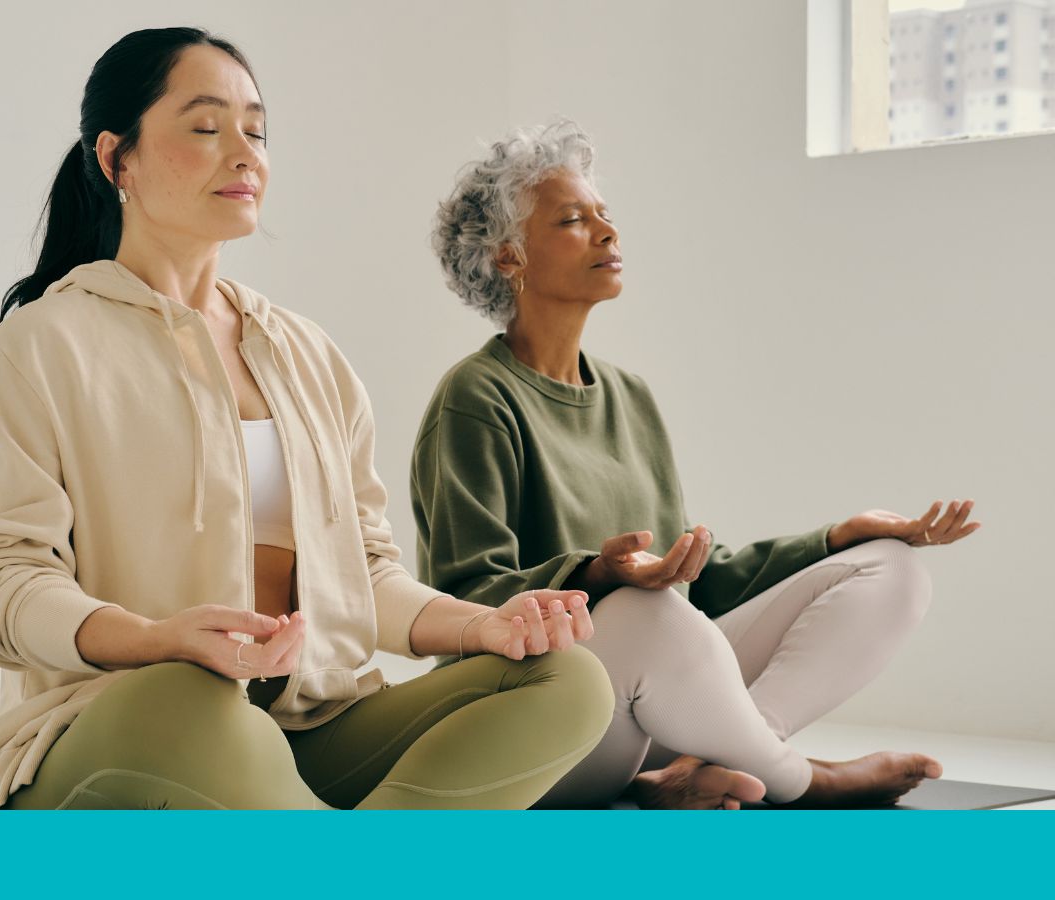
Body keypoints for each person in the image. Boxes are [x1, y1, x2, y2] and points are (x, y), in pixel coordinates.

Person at [0, 30, 612, 810]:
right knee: (194, 700)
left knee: (566, 677)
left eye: (256, 131)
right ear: (114, 159)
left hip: (309, 727)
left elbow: (367, 575)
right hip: (122, 727)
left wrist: (485, 627)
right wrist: (157, 640)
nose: (244, 153)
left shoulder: (307, 354)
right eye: (205, 127)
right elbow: (3, 586)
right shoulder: (38, 347)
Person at [413, 120, 979, 808]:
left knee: (891, 569)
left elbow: (700, 585)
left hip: (656, 700)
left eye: (604, 215)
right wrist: (597, 576)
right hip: (542, 719)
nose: (608, 233)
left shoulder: (631, 397)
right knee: (650, 614)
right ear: (509, 258)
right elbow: (465, 597)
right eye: (572, 219)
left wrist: (838, 537)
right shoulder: (475, 398)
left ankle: (713, 764)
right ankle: (801, 780)